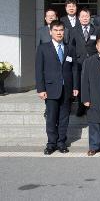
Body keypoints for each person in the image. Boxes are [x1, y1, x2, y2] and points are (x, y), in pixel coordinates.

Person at [35, 20, 79, 155]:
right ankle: (51, 143)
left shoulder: (70, 48)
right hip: (50, 89)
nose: (59, 33)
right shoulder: (43, 48)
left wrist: (75, 86)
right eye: (56, 30)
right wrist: (41, 89)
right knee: (51, 118)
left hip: (67, 89)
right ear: (50, 32)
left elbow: (74, 69)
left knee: (64, 118)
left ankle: (61, 143)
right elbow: (39, 70)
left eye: (61, 30)